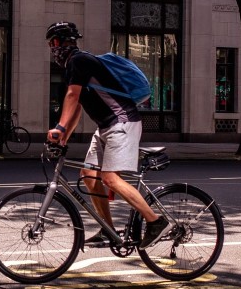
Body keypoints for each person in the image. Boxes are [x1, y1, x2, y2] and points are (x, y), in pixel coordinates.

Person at [44, 21, 172, 248]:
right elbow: (78, 106)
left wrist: (60, 128)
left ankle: (155, 221)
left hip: (122, 122)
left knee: (109, 178)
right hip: (107, 126)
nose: (52, 49)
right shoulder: (75, 65)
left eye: (53, 43)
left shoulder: (78, 60)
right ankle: (107, 229)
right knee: (89, 175)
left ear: (62, 41)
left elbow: (72, 97)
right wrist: (64, 137)